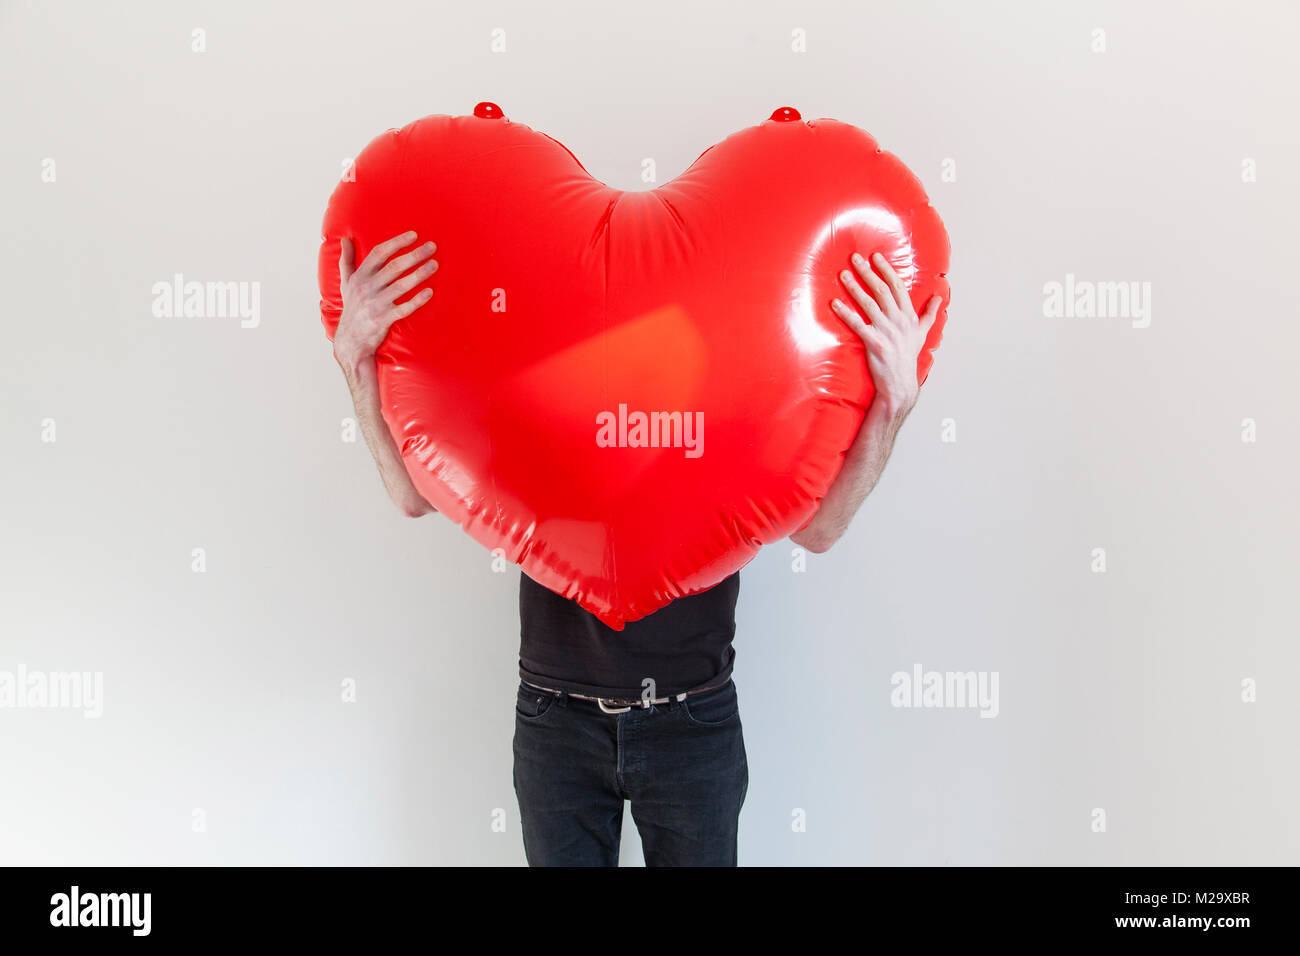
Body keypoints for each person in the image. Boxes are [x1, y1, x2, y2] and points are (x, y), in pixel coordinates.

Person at [331, 231, 942, 866]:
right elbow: (414, 494)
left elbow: (818, 531)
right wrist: (356, 359)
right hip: (556, 721)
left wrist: (893, 401)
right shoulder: (536, 387)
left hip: (692, 722)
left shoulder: (734, 400)